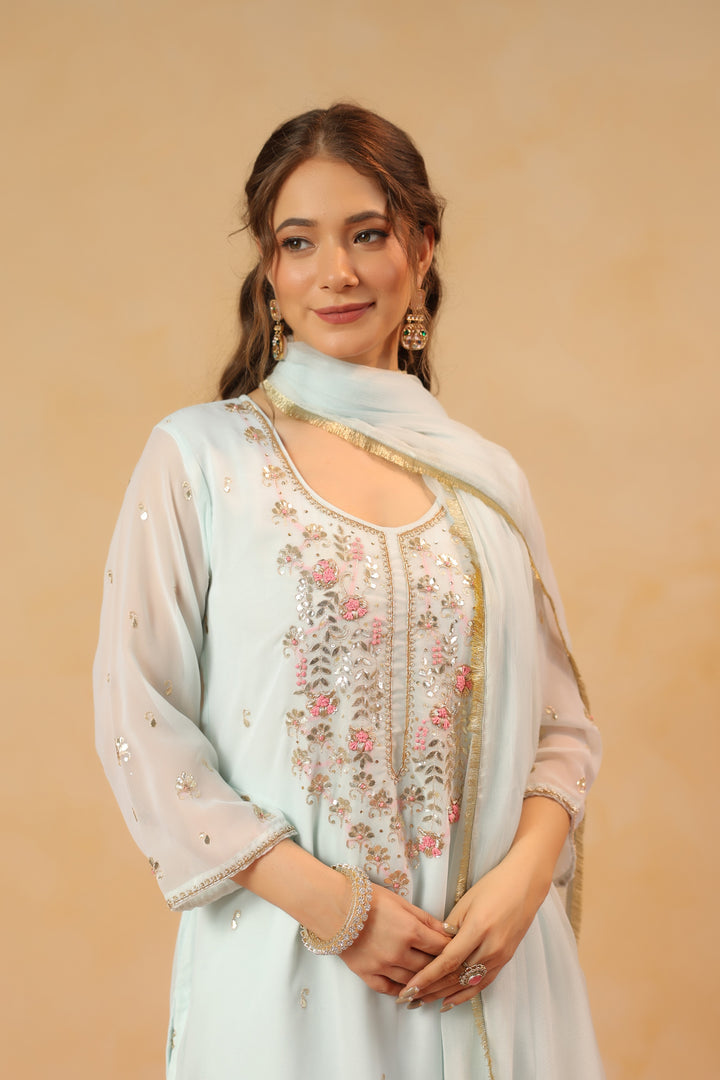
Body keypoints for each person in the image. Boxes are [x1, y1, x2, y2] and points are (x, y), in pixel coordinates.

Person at [94, 103, 604, 1079]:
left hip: (492, 966)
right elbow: (140, 722)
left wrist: (524, 881)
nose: (336, 271)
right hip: (294, 963)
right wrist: (339, 911)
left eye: (367, 234)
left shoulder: (486, 480)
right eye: (300, 242)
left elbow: (563, 727)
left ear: (422, 246)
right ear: (270, 270)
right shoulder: (203, 459)